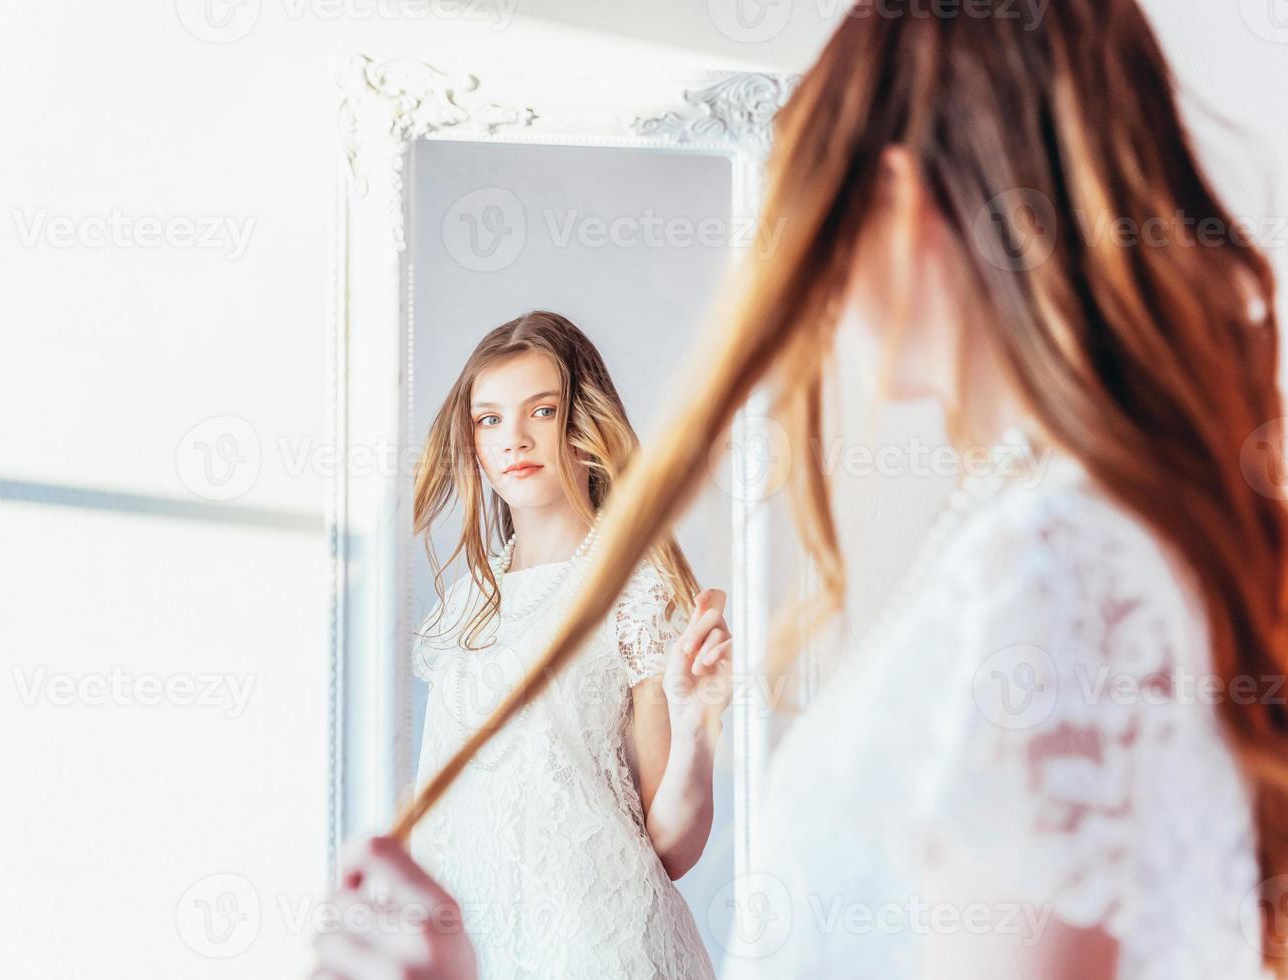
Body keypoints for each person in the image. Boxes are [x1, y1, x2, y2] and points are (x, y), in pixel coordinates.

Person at [314, 1, 1288, 977]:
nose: (812, 284)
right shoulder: (1052, 525)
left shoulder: (1056, 559)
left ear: (898, 203)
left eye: (813, 215)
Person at [360, 310, 731, 979]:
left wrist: (698, 726)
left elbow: (670, 849)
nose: (515, 439)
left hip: (604, 952)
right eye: (490, 419)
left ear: (584, 425)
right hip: (480, 955)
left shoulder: (635, 591)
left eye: (542, 410)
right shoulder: (464, 606)